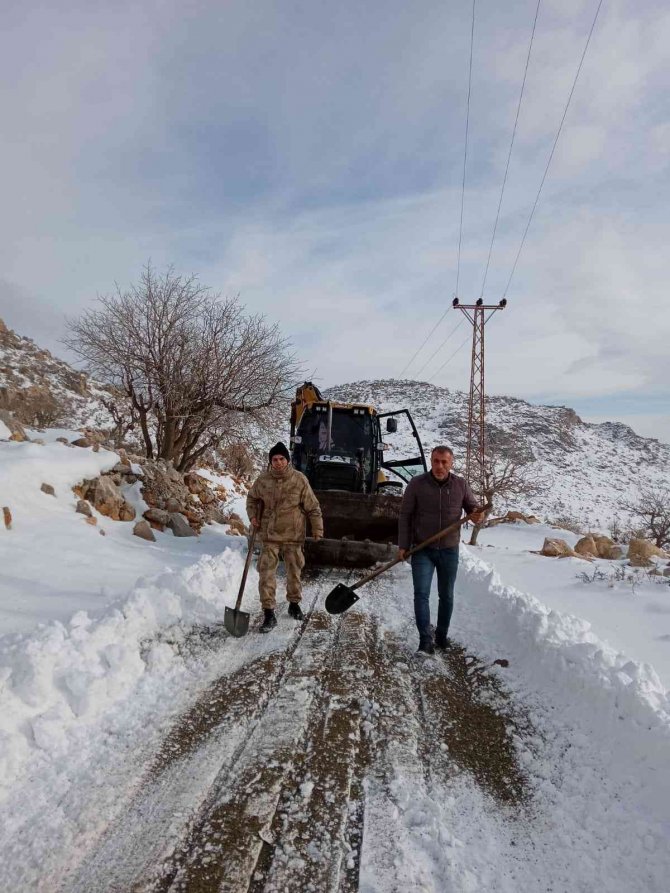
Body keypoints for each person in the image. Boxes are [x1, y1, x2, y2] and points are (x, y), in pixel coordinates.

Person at [398, 446, 485, 654]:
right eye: (436, 461)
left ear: (451, 463)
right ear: (431, 461)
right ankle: (425, 641)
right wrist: (403, 545)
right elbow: (405, 516)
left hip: (448, 549)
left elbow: (473, 508)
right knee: (421, 594)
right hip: (422, 549)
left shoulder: (460, 485)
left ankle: (441, 635)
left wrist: (476, 515)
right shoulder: (417, 484)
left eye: (444, 462)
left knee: (446, 595)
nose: (439, 466)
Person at [246, 441, 324, 633]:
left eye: (282, 459)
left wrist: (317, 529)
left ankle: (294, 604)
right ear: (270, 461)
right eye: (275, 459)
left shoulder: (299, 480)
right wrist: (253, 516)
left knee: (294, 572)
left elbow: (313, 507)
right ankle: (268, 612)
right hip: (270, 535)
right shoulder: (263, 480)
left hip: (293, 535)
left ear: (287, 460)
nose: (278, 462)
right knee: (266, 574)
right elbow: (251, 498)